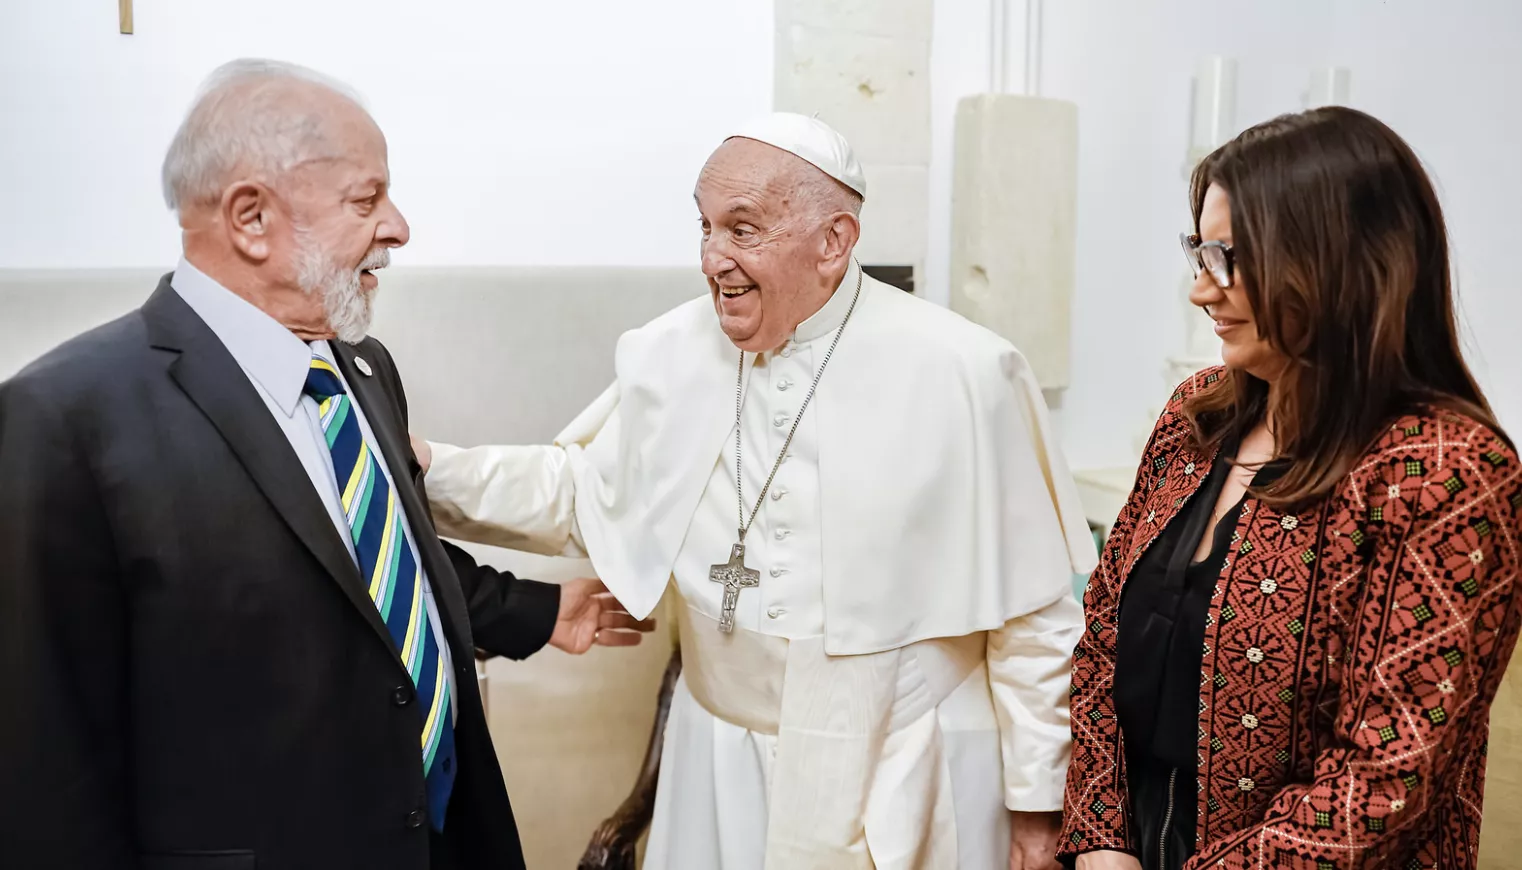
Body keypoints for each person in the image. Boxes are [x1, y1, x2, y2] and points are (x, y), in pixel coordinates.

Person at [0, 59, 650, 870]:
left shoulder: (364, 369)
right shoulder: (63, 420)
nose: (400, 227)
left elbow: (374, 569)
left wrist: (534, 611)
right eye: (366, 199)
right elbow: (44, 760)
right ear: (251, 219)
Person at [413, 112, 1098, 870]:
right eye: (703, 228)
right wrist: (424, 470)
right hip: (721, 758)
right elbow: (582, 491)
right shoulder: (672, 352)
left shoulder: (966, 371)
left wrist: (1037, 806)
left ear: (834, 242)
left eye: (743, 230)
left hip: (910, 757)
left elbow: (1035, 615)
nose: (713, 260)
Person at [1060, 106, 1522, 870]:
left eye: (1230, 257)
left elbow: (1385, 784)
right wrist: (1103, 839)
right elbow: (1104, 638)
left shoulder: (1443, 470)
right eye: (1198, 253)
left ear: (1341, 262)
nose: (1201, 291)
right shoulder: (1197, 416)